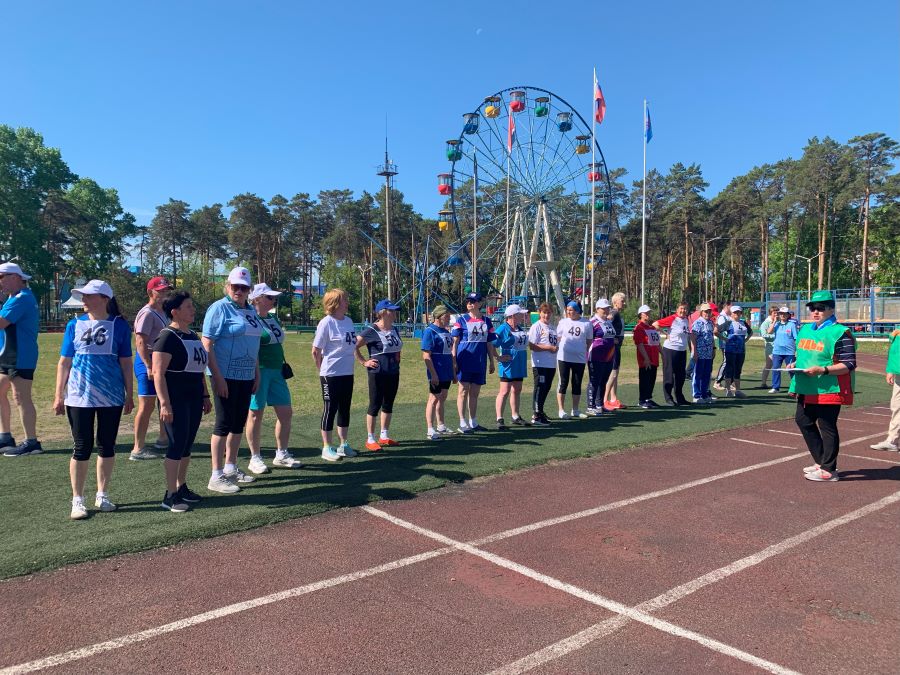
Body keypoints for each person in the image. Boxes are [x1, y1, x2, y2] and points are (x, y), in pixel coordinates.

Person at [53, 280, 133, 519]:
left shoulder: (119, 326)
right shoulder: (74, 325)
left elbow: (126, 363)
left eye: (89, 296)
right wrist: (58, 394)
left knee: (107, 445)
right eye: (83, 296)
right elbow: (64, 362)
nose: (84, 300)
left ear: (105, 299)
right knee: (81, 446)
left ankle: (102, 494)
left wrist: (129, 394)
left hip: (111, 396)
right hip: (79, 396)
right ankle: (77, 500)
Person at [202, 266, 261, 493]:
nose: (239, 291)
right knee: (223, 423)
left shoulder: (251, 311)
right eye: (235, 286)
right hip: (225, 374)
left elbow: (254, 343)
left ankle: (230, 467)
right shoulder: (219, 308)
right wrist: (217, 376)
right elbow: (207, 344)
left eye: (244, 288)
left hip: (246, 375)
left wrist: (256, 373)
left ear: (249, 290)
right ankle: (216, 475)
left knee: (238, 423)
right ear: (227, 286)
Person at [152, 291, 212, 512]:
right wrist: (165, 403)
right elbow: (158, 373)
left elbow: (199, 369)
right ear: (175, 312)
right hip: (175, 399)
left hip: (193, 397)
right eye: (188, 306)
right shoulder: (167, 337)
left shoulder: (192, 335)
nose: (193, 310)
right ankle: (170, 495)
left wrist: (205, 395)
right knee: (176, 445)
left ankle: (181, 486)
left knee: (186, 445)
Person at [790, 290, 857, 482]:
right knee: (803, 420)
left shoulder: (840, 332)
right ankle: (821, 462)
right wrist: (795, 364)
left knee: (827, 426)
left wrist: (823, 370)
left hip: (829, 387)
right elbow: (803, 355)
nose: (815, 311)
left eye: (820, 308)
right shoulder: (805, 329)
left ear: (831, 309)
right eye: (812, 308)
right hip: (806, 386)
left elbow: (849, 364)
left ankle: (829, 470)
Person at [245, 283, 302, 473]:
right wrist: (255, 373)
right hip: (259, 371)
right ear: (257, 299)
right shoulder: (250, 317)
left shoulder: (272, 317)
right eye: (269, 297)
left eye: (274, 297)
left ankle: (282, 454)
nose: (273, 300)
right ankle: (255, 457)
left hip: (276, 371)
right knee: (255, 414)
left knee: (286, 413)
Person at [0, 262, 42, 457]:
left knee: (21, 397)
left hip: (21, 355)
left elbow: (2, 323)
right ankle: (5, 438)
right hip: (9, 353)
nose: (0, 282)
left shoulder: (22, 298)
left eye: (2, 277)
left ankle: (31, 442)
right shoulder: (14, 297)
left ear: (16, 277)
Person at [129, 276, 172, 461]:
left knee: (163, 400)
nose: (164, 293)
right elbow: (140, 341)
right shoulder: (147, 313)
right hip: (148, 361)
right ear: (150, 292)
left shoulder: (163, 311)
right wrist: (148, 365)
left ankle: (163, 438)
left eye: (166, 290)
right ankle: (137, 448)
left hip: (160, 361)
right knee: (146, 405)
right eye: (160, 290)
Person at [312, 288, 358, 460]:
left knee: (345, 408)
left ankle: (343, 444)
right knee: (330, 409)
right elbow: (315, 351)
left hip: (347, 372)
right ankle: (327, 447)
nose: (347, 303)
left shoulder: (349, 321)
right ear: (335, 303)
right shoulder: (326, 323)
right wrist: (321, 371)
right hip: (330, 374)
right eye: (344, 300)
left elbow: (352, 345)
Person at [451, 292, 504, 434]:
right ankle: (462, 422)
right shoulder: (461, 320)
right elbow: (454, 343)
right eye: (468, 301)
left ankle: (473, 422)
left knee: (474, 392)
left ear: (480, 304)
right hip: (464, 360)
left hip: (480, 362)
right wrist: (454, 361)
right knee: (463, 391)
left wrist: (492, 361)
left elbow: (489, 343)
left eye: (473, 301)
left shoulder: (487, 321)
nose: (470, 303)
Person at [356, 299, 403, 450]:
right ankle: (370, 439)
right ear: (382, 313)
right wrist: (364, 362)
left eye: (395, 310)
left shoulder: (394, 329)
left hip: (393, 372)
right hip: (378, 373)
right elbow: (354, 345)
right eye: (391, 310)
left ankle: (384, 436)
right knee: (375, 404)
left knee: (388, 403)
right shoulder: (372, 330)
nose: (394, 313)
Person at [421, 305, 454, 440]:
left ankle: (441, 425)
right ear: (439, 317)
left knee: (443, 397)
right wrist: (433, 374)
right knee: (433, 398)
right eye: (447, 316)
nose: (449, 319)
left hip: (446, 370)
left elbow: (450, 353)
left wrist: (453, 372)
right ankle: (430, 429)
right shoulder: (430, 331)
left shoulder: (446, 331)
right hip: (437, 370)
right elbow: (426, 355)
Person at [494, 304, 530, 428]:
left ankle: (515, 416)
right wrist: (498, 357)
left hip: (519, 363)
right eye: (520, 314)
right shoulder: (503, 328)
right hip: (508, 365)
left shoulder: (519, 328)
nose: (523, 316)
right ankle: (499, 418)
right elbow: (492, 343)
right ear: (513, 315)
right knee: (504, 391)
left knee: (517, 389)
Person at [555, 301, 593, 419]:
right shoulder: (563, 322)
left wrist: (582, 351)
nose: (568, 312)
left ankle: (575, 410)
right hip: (563, 357)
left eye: (571, 310)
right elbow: (558, 338)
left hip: (579, 358)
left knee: (577, 383)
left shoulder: (587, 323)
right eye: (567, 310)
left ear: (577, 311)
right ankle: (561, 410)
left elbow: (589, 341)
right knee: (563, 382)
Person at [654, 302, 691, 406]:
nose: (683, 311)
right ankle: (668, 398)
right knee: (669, 375)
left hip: (682, 351)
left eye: (685, 309)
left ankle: (680, 398)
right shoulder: (672, 318)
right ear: (677, 309)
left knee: (681, 376)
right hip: (670, 350)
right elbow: (655, 324)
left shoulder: (686, 320)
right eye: (681, 308)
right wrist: (665, 333)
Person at [870, 327, 900, 452]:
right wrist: (890, 370)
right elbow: (894, 353)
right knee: (896, 406)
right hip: (898, 374)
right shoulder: (897, 333)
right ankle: (892, 441)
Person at [528, 302, 558, 426]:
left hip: (551, 363)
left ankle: (540, 411)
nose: (546, 315)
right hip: (540, 363)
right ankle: (536, 415)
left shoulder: (552, 327)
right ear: (540, 313)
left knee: (546, 387)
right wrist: (548, 348)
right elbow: (532, 345)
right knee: (540, 388)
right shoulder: (536, 326)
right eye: (544, 312)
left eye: (549, 313)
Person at [587, 299, 617, 415]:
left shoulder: (608, 322)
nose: (606, 310)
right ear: (597, 309)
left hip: (609, 356)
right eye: (604, 308)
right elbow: (589, 339)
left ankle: (600, 404)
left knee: (603, 380)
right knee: (595, 380)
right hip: (596, 355)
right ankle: (591, 406)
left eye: (608, 308)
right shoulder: (592, 322)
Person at [633, 304, 661, 408]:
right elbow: (639, 344)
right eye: (646, 313)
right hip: (646, 359)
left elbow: (657, 342)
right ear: (641, 314)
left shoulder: (652, 327)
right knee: (645, 379)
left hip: (654, 358)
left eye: (649, 312)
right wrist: (646, 358)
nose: (648, 314)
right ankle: (642, 400)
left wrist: (663, 354)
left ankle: (648, 398)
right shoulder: (639, 328)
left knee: (652, 379)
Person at [721, 305, 752, 397]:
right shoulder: (728, 323)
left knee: (738, 370)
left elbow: (750, 332)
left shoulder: (743, 323)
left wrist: (745, 340)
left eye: (739, 312)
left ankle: (738, 390)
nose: (737, 314)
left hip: (741, 351)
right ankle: (728, 390)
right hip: (730, 350)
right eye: (735, 312)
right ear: (731, 313)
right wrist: (725, 339)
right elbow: (716, 331)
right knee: (729, 369)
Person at [603, 292, 627, 409]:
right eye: (622, 301)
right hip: (613, 348)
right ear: (615, 302)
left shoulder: (617, 313)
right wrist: (612, 339)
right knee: (613, 374)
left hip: (617, 347)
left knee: (615, 374)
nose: (624, 303)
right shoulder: (614, 312)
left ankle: (613, 399)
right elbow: (606, 322)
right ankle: (604, 400)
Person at [689, 303, 716, 404]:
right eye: (705, 311)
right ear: (701, 312)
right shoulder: (698, 323)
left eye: (709, 311)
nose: (707, 313)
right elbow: (693, 337)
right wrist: (694, 351)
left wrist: (713, 349)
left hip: (708, 353)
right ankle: (697, 395)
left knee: (706, 374)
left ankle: (704, 394)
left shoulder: (710, 323)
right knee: (697, 374)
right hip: (699, 353)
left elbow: (711, 337)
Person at [768, 306, 799, 393]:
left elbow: (796, 338)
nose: (782, 315)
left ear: (788, 315)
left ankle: (795, 387)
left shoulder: (792, 325)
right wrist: (774, 321)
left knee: (791, 370)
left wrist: (797, 351)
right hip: (777, 351)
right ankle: (775, 387)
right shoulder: (776, 324)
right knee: (776, 369)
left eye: (785, 314)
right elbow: (769, 331)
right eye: (781, 313)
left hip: (790, 352)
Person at [713, 300, 732, 389]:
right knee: (726, 361)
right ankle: (717, 382)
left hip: (730, 343)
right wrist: (725, 339)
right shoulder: (722, 317)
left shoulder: (728, 316)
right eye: (732, 306)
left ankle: (729, 383)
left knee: (730, 363)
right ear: (727, 306)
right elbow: (719, 331)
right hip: (725, 343)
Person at [759, 306, 779, 389]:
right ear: (770, 313)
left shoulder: (778, 322)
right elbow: (764, 335)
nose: (776, 314)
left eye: (777, 312)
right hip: (770, 346)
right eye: (774, 313)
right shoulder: (765, 323)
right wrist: (776, 337)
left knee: (776, 364)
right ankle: (763, 383)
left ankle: (775, 384)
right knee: (769, 364)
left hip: (779, 346)